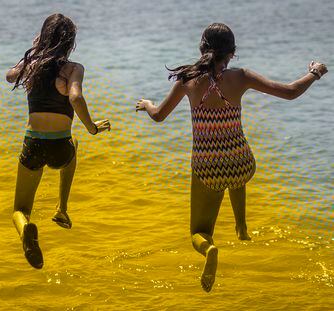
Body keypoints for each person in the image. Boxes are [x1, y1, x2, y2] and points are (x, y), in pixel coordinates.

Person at [135, 23, 327, 292]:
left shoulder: (188, 80)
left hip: (207, 167)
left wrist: (146, 105)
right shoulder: (241, 77)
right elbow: (290, 91)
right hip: (242, 162)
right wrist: (315, 72)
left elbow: (159, 116)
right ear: (232, 53)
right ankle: (241, 226)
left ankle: (210, 249)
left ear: (202, 48)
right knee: (234, 162)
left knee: (197, 232)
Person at [6, 13, 111, 269]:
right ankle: (62, 208)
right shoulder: (74, 68)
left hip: (33, 144)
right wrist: (92, 127)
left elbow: (10, 76)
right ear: (70, 42)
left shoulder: (30, 64)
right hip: (59, 147)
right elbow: (75, 98)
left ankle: (26, 229)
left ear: (42, 38)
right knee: (73, 147)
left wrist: (31, 54)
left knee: (19, 209)